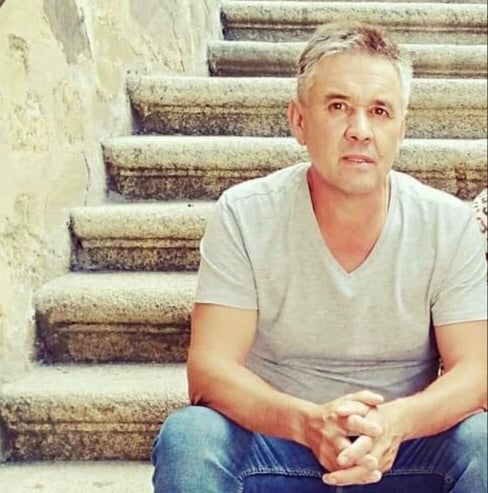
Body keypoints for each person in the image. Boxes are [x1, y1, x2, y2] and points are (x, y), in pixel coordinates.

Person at [152, 22, 487, 492]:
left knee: (483, 441)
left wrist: (396, 423)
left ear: (401, 129)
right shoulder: (245, 214)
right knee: (190, 436)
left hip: (404, 455)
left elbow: (476, 371)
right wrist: (308, 424)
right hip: (279, 450)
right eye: (337, 107)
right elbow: (209, 370)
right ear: (298, 121)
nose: (360, 131)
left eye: (380, 111)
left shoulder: (447, 224)